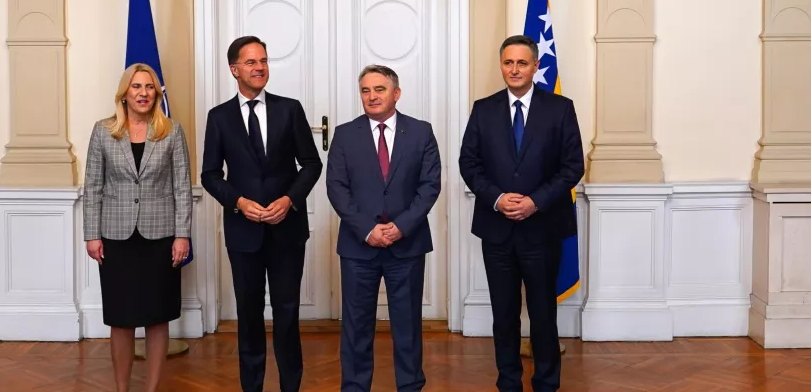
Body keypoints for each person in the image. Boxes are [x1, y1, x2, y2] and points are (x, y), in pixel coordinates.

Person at [458, 35, 584, 392]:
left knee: (543, 314)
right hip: (496, 230)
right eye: (508, 63)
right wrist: (497, 198)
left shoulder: (559, 108)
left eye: (522, 63)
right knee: (504, 315)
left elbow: (572, 166)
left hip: (542, 228)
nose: (514, 69)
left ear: (535, 67)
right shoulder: (483, 109)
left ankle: (546, 383)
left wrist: (534, 201)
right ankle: (508, 383)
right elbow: (469, 163)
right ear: (501, 66)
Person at [201, 35, 322, 392]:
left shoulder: (290, 109)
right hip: (243, 232)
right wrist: (238, 202)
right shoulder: (219, 117)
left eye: (264, 61)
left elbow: (311, 164)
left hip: (287, 230)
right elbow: (209, 175)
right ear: (234, 69)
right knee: (249, 315)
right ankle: (251, 386)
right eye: (252, 62)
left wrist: (290, 200)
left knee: (287, 314)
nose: (260, 68)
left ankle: (290, 386)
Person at [326, 64, 441, 392]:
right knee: (356, 325)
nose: (372, 96)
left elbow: (430, 185)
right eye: (365, 90)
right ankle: (355, 387)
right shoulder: (345, 134)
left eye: (379, 89)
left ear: (396, 93)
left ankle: (410, 386)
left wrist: (401, 227)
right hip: (358, 246)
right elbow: (336, 187)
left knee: (406, 325)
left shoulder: (421, 132)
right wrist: (367, 230)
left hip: (407, 244)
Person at [82, 63, 193, 392]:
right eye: (136, 87)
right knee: (121, 318)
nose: (143, 93)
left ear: (157, 94)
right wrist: (91, 234)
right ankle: (122, 388)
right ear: (124, 94)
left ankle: (152, 388)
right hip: (116, 237)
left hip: (161, 237)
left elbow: (182, 188)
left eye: (149, 87)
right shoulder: (103, 131)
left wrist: (182, 235)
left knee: (158, 317)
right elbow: (93, 187)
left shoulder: (172, 130)